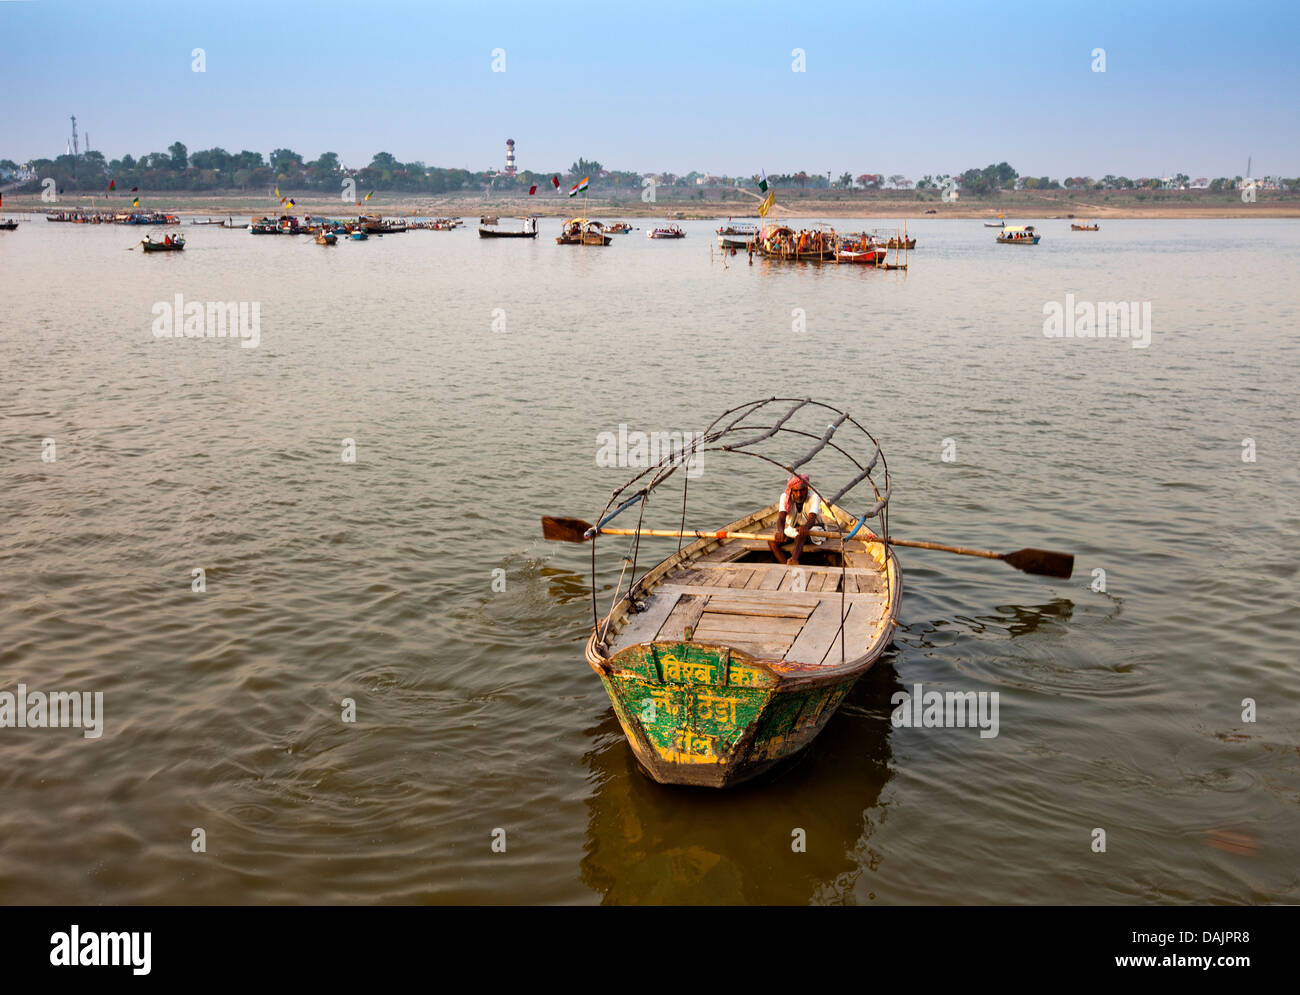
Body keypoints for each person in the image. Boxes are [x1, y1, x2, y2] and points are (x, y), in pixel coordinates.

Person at [769, 474, 823, 565]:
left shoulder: (814, 496)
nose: (799, 495)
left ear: (807, 489)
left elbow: (812, 519)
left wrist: (805, 527)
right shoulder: (785, 497)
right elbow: (781, 518)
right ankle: (785, 566)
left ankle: (794, 560)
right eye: (796, 491)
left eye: (802, 490)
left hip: (814, 529)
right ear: (791, 491)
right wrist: (781, 531)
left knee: (800, 536)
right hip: (793, 529)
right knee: (772, 542)